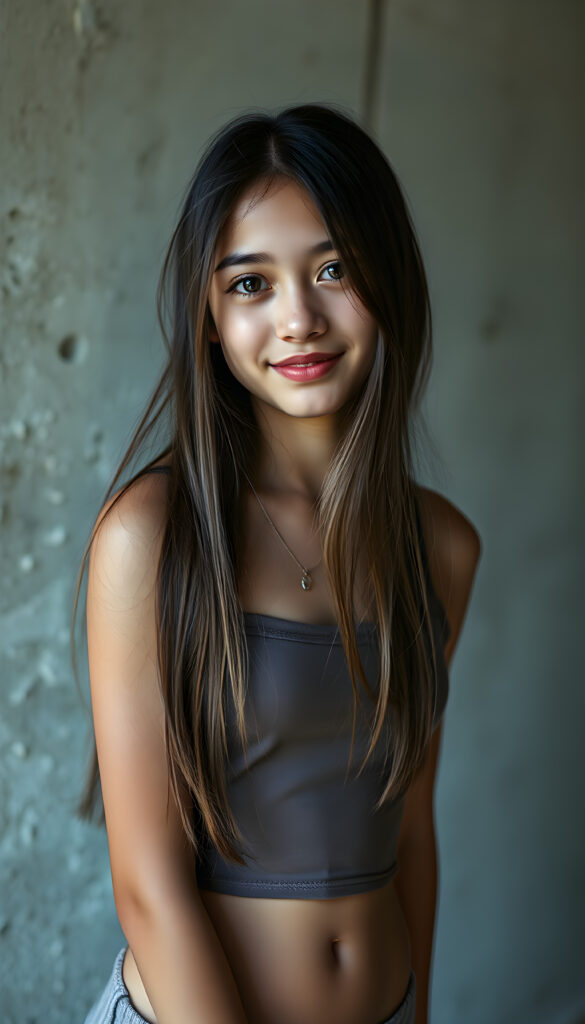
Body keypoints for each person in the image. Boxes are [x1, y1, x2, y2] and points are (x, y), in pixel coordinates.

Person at [75, 103, 481, 1024]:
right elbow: (148, 887)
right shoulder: (151, 538)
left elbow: (408, 829)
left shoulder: (442, 547)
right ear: (210, 321)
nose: (299, 318)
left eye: (333, 269)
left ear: (389, 280)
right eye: (250, 284)